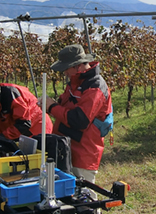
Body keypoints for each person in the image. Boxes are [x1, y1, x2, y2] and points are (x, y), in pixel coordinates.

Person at [39, 44, 113, 187]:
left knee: (85, 196)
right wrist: (50, 104)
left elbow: (79, 120)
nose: (64, 73)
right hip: (67, 147)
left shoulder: (95, 87)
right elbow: (66, 106)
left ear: (78, 66)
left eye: (66, 68)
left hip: (83, 153)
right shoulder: (75, 82)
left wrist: (52, 107)